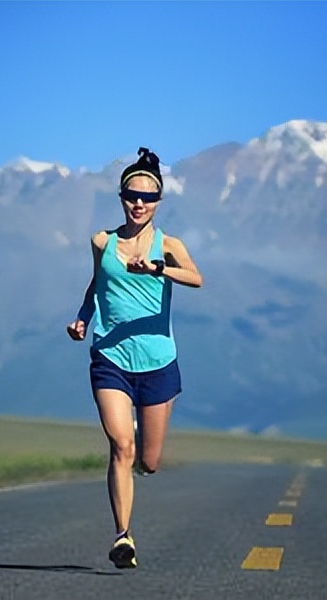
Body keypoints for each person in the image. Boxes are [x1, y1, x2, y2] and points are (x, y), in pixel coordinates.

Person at [66, 147, 203, 569]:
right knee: (121, 446)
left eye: (147, 197)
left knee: (149, 460)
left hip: (159, 361)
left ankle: (144, 459)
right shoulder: (102, 242)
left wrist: (158, 269)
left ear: (158, 202)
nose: (139, 203)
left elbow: (197, 278)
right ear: (121, 197)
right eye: (131, 195)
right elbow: (97, 285)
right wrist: (83, 318)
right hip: (111, 357)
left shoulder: (170, 245)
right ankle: (123, 536)